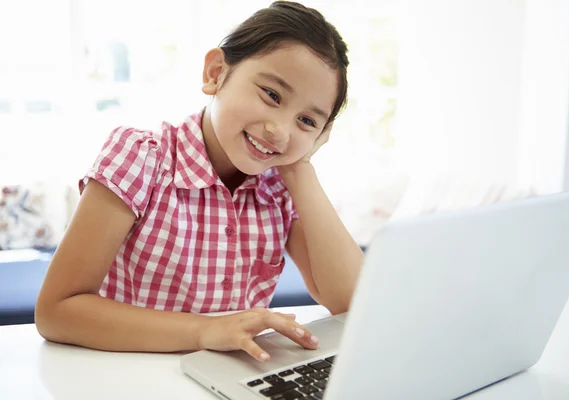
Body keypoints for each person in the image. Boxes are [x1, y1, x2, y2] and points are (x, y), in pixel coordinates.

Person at [35, 1, 363, 363]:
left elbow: (353, 305)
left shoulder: (282, 188)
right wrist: (206, 329)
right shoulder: (142, 157)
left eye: (306, 121)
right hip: (129, 374)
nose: (279, 131)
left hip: (229, 379)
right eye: (271, 95)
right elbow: (56, 311)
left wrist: (301, 169)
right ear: (216, 72)